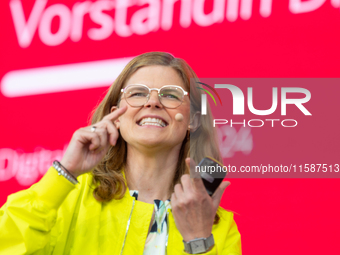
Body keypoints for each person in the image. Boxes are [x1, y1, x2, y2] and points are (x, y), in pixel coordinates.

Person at [0, 52, 241, 255]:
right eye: (138, 93)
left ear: (193, 120)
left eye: (170, 94)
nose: (153, 102)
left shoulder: (216, 224)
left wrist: (198, 240)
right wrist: (64, 173)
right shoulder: (68, 196)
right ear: (116, 115)